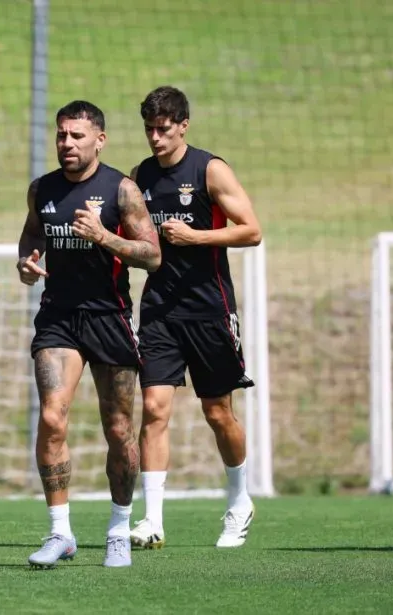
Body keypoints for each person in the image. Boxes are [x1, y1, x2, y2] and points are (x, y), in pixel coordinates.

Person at [16, 100, 160, 568]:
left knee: (118, 429)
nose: (67, 144)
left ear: (99, 139)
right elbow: (31, 236)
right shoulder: (42, 189)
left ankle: (119, 528)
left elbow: (151, 255)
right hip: (58, 318)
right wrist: (28, 261)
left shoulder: (121, 190)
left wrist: (105, 237)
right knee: (52, 418)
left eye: (77, 136)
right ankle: (60, 532)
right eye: (61, 135)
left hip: (109, 317)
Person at [127, 86, 263, 550]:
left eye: (163, 129)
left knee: (217, 411)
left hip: (209, 308)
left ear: (183, 125)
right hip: (160, 309)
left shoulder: (210, 169)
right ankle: (152, 520)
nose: (155, 138)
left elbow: (252, 231)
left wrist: (195, 236)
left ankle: (240, 501)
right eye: (149, 129)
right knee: (153, 408)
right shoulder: (139, 177)